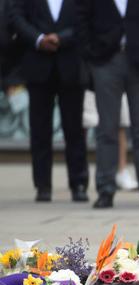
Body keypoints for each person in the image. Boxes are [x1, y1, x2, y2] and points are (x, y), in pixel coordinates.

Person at [76, 0, 139, 209]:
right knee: (107, 130)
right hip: (106, 62)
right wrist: (92, 55)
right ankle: (105, 189)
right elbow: (81, 21)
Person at [11, 0, 89, 203]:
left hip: (70, 65)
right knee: (39, 130)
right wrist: (38, 39)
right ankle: (43, 185)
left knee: (74, 129)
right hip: (37, 65)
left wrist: (61, 38)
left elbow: (86, 18)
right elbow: (17, 17)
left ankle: (78, 183)